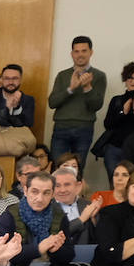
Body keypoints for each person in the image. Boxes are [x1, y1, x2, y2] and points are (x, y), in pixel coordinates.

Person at [48, 36, 108, 168]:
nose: (80, 55)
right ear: (71, 54)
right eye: (76, 51)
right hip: (61, 127)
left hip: (84, 128)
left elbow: (96, 106)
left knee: (78, 169)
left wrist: (87, 87)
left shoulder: (99, 76)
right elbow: (52, 102)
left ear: (91, 52)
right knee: (57, 168)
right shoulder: (63, 75)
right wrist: (71, 89)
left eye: (84, 51)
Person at [0, 63, 36, 130]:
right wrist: (7, 108)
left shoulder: (28, 100)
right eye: (7, 78)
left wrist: (16, 108)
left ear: (20, 80)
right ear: (2, 80)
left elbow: (28, 124)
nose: (11, 82)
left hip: (18, 137)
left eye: (15, 78)